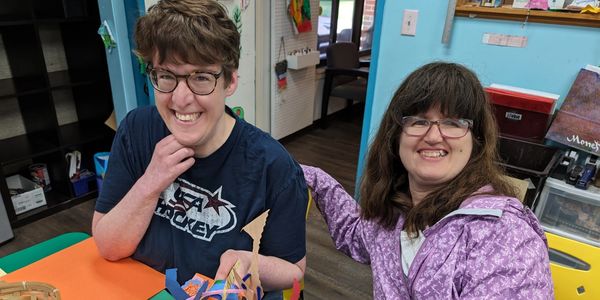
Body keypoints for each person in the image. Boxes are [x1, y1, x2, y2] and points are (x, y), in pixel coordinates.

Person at [91, 1, 308, 298]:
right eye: (167, 76)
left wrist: (250, 263)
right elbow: (107, 245)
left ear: (230, 81)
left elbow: (294, 270)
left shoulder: (273, 166)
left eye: (201, 78)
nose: (180, 99)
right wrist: (150, 183)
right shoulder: (137, 130)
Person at [301, 62, 554, 299]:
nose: (434, 136)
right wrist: (307, 176)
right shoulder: (394, 214)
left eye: (453, 123)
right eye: (419, 121)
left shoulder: (505, 238)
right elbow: (355, 234)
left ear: (476, 141)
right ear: (396, 136)